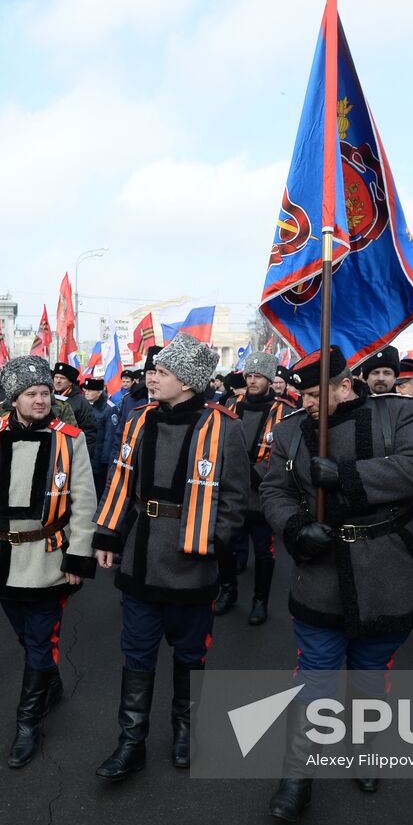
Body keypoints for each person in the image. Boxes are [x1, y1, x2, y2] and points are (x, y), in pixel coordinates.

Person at [262, 346, 413, 821]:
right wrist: (295, 528)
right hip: (320, 569)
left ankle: (363, 748)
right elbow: (274, 490)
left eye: (316, 394)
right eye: (303, 395)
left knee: (369, 672)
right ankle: (297, 774)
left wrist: (346, 475)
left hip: (387, 568)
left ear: (345, 385)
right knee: (315, 677)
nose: (308, 403)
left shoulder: (399, 413)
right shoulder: (290, 430)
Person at [92, 333, 250, 780]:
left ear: (188, 382)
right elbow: (120, 481)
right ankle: (131, 742)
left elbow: (236, 498)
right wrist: (107, 537)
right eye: (153, 371)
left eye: (161, 372)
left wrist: (211, 543)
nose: (151, 378)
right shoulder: (137, 419)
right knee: (137, 652)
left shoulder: (225, 427)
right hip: (141, 555)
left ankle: (186, 731)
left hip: (191, 561)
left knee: (190, 654)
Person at [0, 355, 97, 767]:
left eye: (45, 392)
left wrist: (78, 557)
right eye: (31, 394)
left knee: (39, 638)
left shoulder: (71, 439)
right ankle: (50, 682)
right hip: (0, 558)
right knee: (26, 635)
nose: (40, 400)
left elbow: (84, 503)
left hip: (48, 559)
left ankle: (27, 723)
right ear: (14, 399)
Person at [220, 351, 293, 624]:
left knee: (264, 551)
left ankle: (260, 600)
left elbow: (285, 453)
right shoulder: (231, 404)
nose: (252, 381)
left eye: (258, 376)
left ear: (269, 379)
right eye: (249, 376)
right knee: (224, 543)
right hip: (231, 492)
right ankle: (228, 590)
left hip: (262, 494)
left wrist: (252, 473)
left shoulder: (284, 411)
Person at [51, 362, 99, 457]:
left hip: (72, 451)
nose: (58, 381)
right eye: (56, 377)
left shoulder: (81, 402)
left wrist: (81, 456)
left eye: (62, 378)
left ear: (70, 382)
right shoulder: (48, 398)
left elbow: (89, 433)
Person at [81, 376, 119, 490]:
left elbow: (110, 437)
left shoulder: (109, 408)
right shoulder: (83, 405)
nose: (86, 392)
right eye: (85, 390)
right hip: (83, 457)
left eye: (90, 390)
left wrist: (105, 461)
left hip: (98, 460)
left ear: (99, 392)